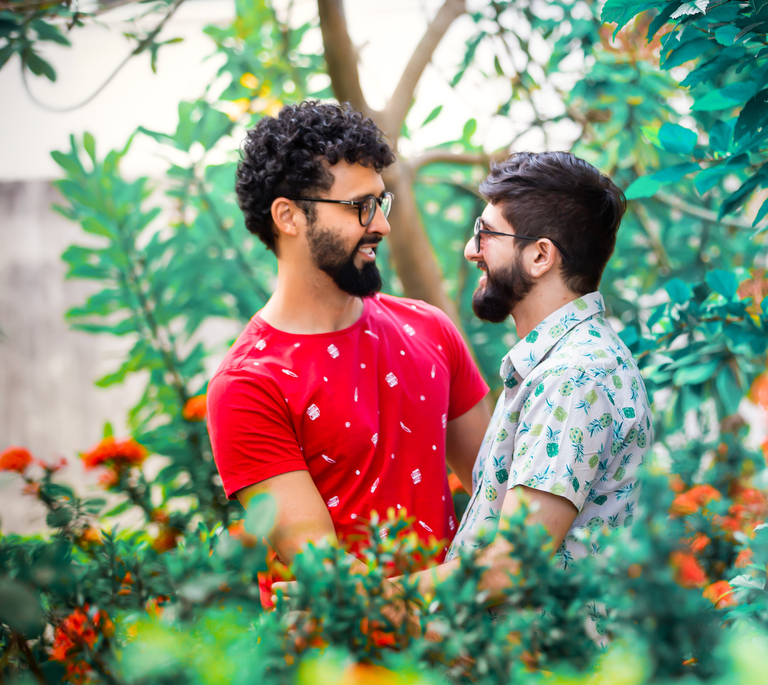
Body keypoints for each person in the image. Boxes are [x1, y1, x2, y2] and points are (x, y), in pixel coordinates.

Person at [206, 101, 491, 606]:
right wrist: (473, 595)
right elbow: (327, 569)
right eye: (361, 206)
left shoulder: (429, 328)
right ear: (288, 216)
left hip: (463, 657)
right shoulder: (249, 384)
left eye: (382, 202)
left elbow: (499, 490)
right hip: (340, 674)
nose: (380, 224)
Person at [415, 151, 653, 597]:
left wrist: (365, 602)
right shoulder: (566, 364)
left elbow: (512, 566)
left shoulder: (574, 377)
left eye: (485, 234)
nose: (471, 250)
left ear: (541, 256)